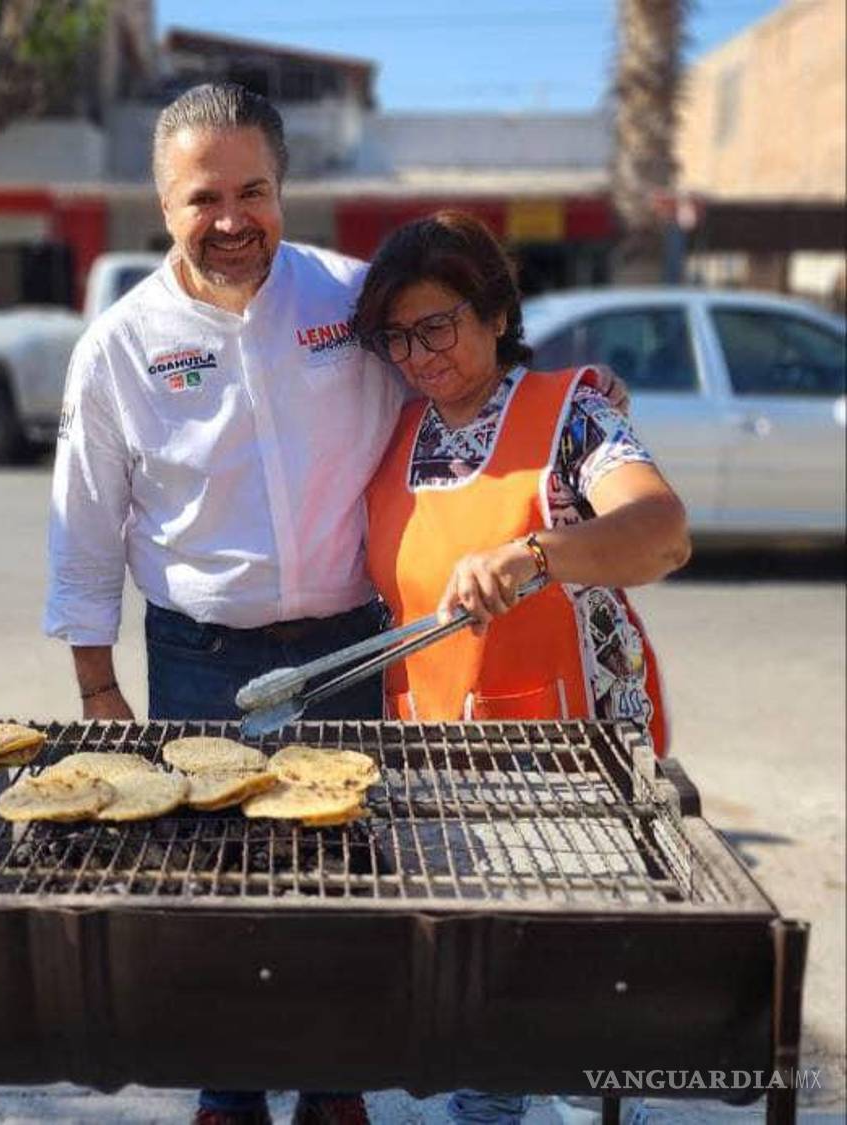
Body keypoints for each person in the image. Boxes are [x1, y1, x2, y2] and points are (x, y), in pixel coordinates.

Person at [43, 81, 404, 1125]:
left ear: (283, 190)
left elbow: (455, 379)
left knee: (343, 879)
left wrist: (560, 396)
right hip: (200, 659)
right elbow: (83, 524)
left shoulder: (352, 300)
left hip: (347, 650)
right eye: (205, 197)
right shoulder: (119, 345)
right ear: (163, 203)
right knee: (215, 889)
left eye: (254, 190)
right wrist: (97, 686)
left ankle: (335, 1089)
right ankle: (228, 1091)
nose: (233, 218)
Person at [352, 211, 691, 1125]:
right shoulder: (395, 434)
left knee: (572, 1002)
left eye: (439, 325)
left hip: (577, 764)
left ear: (496, 311)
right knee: (480, 1004)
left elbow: (661, 533)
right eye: (397, 336)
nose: (418, 354)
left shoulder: (572, 412)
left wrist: (538, 554)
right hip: (444, 768)